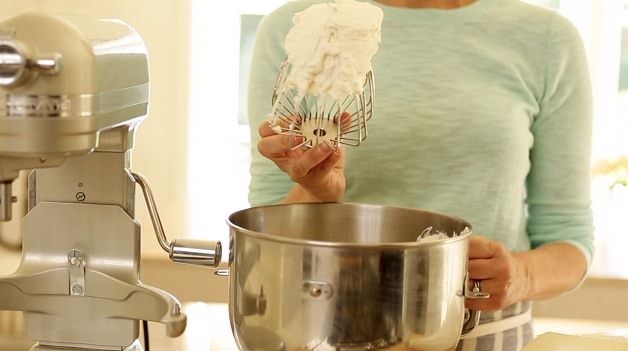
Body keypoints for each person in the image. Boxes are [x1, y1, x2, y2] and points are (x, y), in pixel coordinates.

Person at [246, 0, 595, 350]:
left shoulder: (547, 39)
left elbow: (569, 237)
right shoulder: (299, 28)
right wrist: (316, 190)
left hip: (483, 331)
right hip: (326, 326)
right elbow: (267, 242)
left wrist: (521, 276)